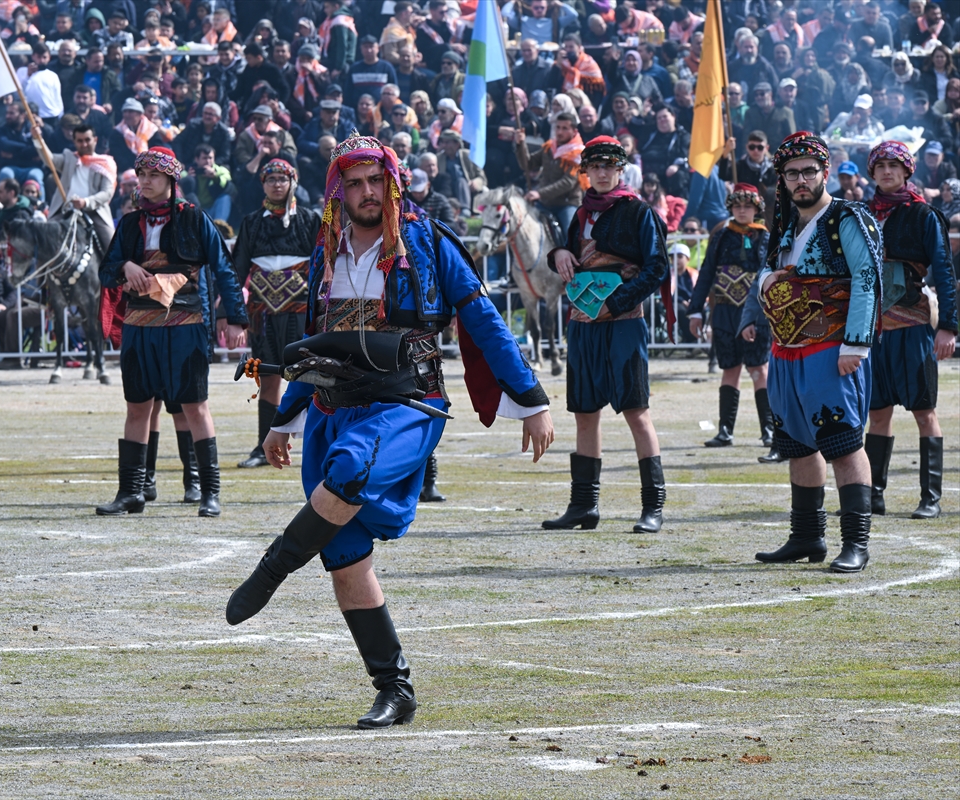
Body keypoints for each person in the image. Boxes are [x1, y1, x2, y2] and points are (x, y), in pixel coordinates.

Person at [224, 134, 554, 729]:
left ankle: (272, 568)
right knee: (344, 556)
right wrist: (282, 420)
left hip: (408, 402)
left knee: (351, 466)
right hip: (333, 407)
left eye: (375, 180)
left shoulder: (429, 240)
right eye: (354, 183)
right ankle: (394, 689)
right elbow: (317, 346)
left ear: (392, 181)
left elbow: (483, 319)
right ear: (339, 191)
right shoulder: (326, 250)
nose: (367, 192)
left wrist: (531, 398)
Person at [753, 132, 882, 573]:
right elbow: (769, 270)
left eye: (809, 171)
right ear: (783, 180)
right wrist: (766, 280)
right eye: (792, 174)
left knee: (843, 442)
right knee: (796, 444)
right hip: (786, 351)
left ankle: (856, 543)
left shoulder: (847, 216)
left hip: (832, 348)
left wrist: (857, 344)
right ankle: (807, 536)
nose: (801, 180)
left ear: (825, 172)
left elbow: (866, 278)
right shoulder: (787, 224)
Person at [97, 147, 248, 518]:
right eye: (141, 175)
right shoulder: (129, 224)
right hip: (138, 327)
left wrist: (235, 317)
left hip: (185, 325)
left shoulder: (194, 218)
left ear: (171, 179)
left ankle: (209, 492)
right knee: (137, 406)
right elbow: (106, 270)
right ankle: (131, 492)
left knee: (195, 405)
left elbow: (224, 268)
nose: (145, 182)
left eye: (153, 175)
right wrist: (127, 267)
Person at [544, 136, 670, 534]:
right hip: (582, 325)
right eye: (594, 166)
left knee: (636, 411)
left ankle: (653, 507)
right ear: (586, 171)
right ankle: (584, 506)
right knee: (584, 412)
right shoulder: (581, 213)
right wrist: (558, 253)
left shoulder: (639, 212)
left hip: (624, 323)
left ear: (620, 169)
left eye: (608, 166)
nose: (601, 172)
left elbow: (657, 268)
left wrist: (614, 304)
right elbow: (569, 254)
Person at [864, 141, 957, 519]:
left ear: (907, 171)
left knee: (923, 411)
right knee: (878, 413)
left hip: (914, 326)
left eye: (894, 166)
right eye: (880, 166)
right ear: (872, 172)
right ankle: (873, 495)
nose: (887, 172)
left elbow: (944, 271)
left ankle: (930, 498)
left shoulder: (924, 215)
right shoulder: (860, 214)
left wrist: (948, 326)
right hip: (871, 330)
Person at [231, 159, 320, 469]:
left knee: (311, 377)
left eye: (283, 179)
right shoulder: (251, 222)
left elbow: (323, 265)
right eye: (271, 179)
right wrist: (231, 313)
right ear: (262, 184)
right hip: (263, 314)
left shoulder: (310, 219)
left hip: (302, 313)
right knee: (268, 378)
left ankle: (317, 445)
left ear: (293, 182)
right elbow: (238, 268)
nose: (277, 184)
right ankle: (263, 447)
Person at [687, 185, 777, 461]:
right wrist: (695, 310)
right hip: (724, 311)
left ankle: (769, 430)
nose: (742, 210)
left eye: (747, 206)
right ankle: (725, 430)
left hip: (756, 313)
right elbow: (706, 273)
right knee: (730, 369)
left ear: (756, 209)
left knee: (759, 369)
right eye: (737, 205)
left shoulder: (766, 238)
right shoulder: (721, 237)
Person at [31, 122, 117, 252]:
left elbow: (107, 193)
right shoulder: (70, 158)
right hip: (66, 210)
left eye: (87, 140)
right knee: (44, 241)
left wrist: (85, 202)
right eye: (80, 141)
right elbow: (50, 160)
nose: (84, 144)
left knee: (113, 248)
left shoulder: (105, 163)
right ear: (74, 142)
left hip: (94, 211)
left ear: (95, 140)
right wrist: (38, 139)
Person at [514, 112, 584, 244]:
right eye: (558, 127)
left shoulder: (578, 153)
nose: (560, 132)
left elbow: (567, 183)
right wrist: (520, 144)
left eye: (565, 128)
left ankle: (575, 257)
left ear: (574, 131)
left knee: (571, 235)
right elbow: (527, 164)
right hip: (544, 203)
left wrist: (539, 193)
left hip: (566, 204)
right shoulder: (549, 148)